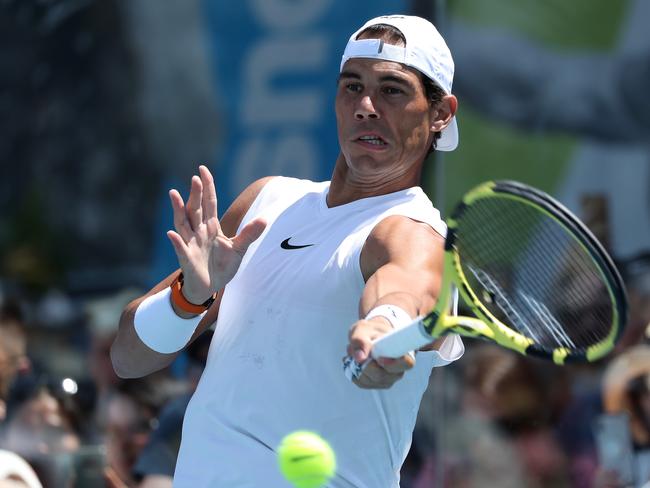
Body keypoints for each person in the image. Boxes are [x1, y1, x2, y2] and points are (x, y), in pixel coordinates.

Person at [111, 14, 464, 487]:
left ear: (441, 114)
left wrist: (385, 326)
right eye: (352, 86)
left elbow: (407, 289)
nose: (365, 106)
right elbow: (127, 360)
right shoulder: (266, 201)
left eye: (392, 90)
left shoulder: (413, 233)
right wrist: (189, 298)